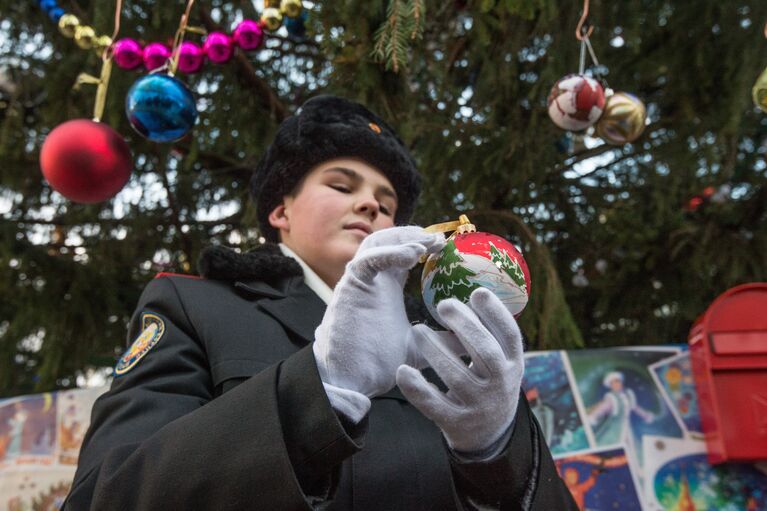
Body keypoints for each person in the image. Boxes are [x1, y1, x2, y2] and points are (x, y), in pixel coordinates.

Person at [64, 95, 577, 510]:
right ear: (280, 210)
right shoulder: (193, 306)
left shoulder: (440, 342)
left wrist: (497, 454)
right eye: (340, 183)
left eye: (388, 201)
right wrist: (321, 386)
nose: (372, 203)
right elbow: (105, 497)